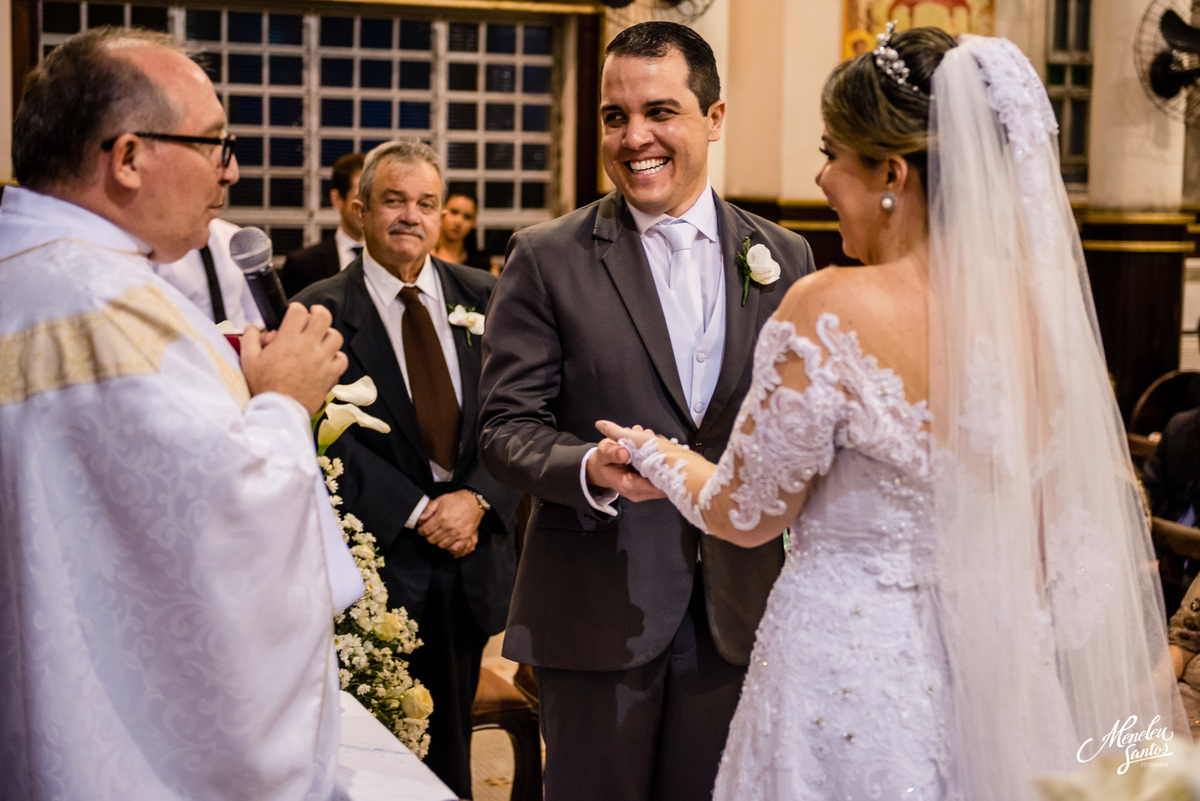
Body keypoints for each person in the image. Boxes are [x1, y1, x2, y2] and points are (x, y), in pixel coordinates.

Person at [598, 25, 1187, 800]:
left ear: (892, 174)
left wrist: (652, 454)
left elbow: (744, 513)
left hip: (847, 677)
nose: (819, 176)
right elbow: (1058, 549)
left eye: (833, 153)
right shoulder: (1040, 327)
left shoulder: (830, 305)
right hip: (1000, 677)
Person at [0, 26, 353, 801]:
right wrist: (286, 400)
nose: (228, 170)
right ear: (127, 157)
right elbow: (229, 518)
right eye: (213, 143)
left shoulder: (34, 275)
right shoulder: (109, 307)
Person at [478, 21, 814, 801]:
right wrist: (587, 468)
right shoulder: (546, 256)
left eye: (659, 111)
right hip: (597, 606)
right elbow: (502, 428)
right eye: (614, 116)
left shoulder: (785, 256)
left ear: (715, 119)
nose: (634, 138)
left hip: (738, 611)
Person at [295, 138, 521, 799]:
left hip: (473, 549)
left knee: (452, 737)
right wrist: (418, 509)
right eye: (394, 200)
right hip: (379, 556)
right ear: (359, 210)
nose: (410, 216)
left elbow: (522, 412)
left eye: (425, 202)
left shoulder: (487, 295)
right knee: (378, 743)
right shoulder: (320, 308)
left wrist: (478, 499)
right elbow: (317, 437)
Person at [153, 217, 265, 329]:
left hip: (241, 341)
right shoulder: (155, 244)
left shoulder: (234, 236)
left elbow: (255, 315)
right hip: (183, 343)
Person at [282, 151, 365, 297]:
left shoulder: (395, 262)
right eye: (359, 198)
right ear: (337, 199)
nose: (366, 207)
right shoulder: (302, 265)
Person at [432, 192, 492, 272]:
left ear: (473, 222)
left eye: (467, 217)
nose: (459, 221)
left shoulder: (483, 264)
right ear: (442, 211)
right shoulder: (423, 256)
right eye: (454, 212)